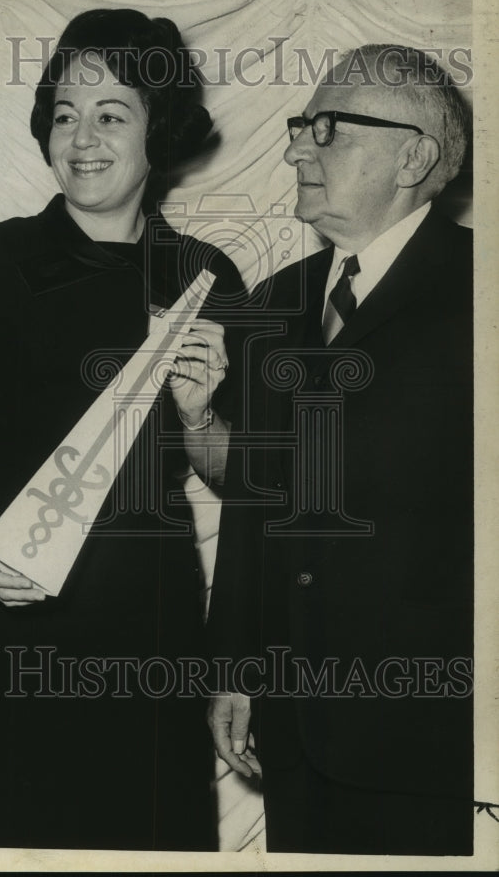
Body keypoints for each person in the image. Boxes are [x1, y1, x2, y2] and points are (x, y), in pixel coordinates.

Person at [0, 8, 246, 850]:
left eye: (110, 115)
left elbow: (233, 475)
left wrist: (200, 413)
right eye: (65, 115)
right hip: (8, 613)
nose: (82, 139)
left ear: (157, 132)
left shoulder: (206, 278)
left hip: (149, 625)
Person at [207, 44, 473, 855]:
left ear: (413, 159)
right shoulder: (274, 304)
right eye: (300, 129)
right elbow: (253, 503)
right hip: (293, 730)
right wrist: (234, 666)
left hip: (438, 737)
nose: (296, 151)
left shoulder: (484, 292)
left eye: (327, 130)